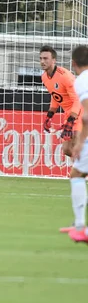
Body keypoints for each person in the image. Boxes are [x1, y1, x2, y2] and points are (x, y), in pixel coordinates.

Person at [40, 45, 82, 158]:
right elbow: (55, 96)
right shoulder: (44, 77)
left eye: (45, 58)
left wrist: (71, 120)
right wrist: (49, 115)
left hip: (80, 110)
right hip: (69, 113)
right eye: (41, 58)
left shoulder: (65, 76)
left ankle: (81, 174)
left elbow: (77, 99)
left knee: (78, 146)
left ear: (54, 60)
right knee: (68, 150)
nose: (42, 61)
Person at [64, 45, 88, 243]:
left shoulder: (82, 81)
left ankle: (80, 226)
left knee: (77, 174)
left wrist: (80, 142)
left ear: (73, 63)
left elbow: (87, 115)